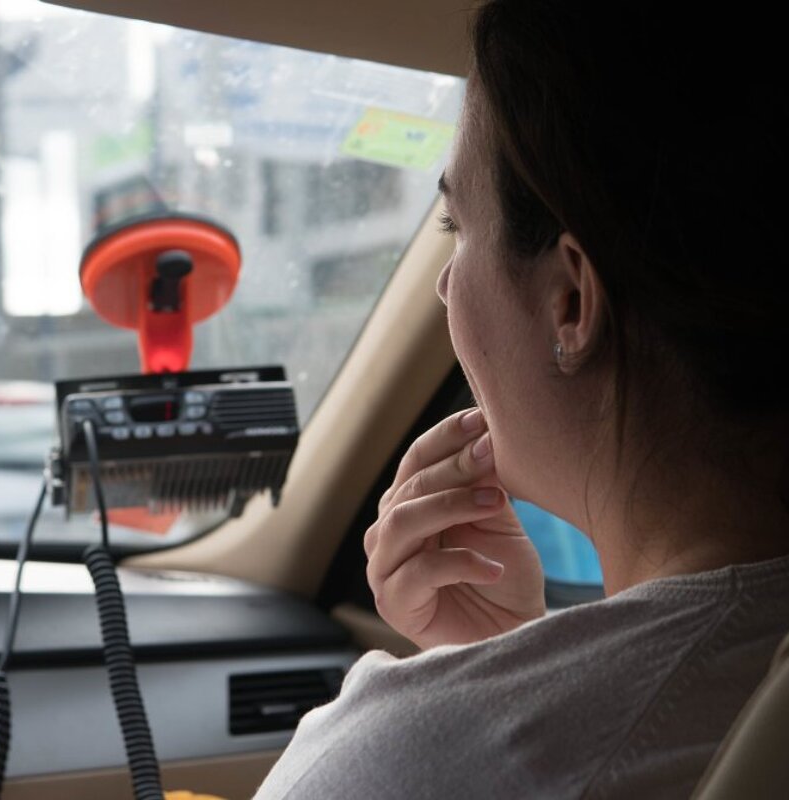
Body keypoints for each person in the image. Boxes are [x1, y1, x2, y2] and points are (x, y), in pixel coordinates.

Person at [253, 0, 789, 797]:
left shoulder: (411, 758)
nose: (443, 285)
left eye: (455, 228)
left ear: (570, 300)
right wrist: (522, 648)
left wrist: (493, 687)